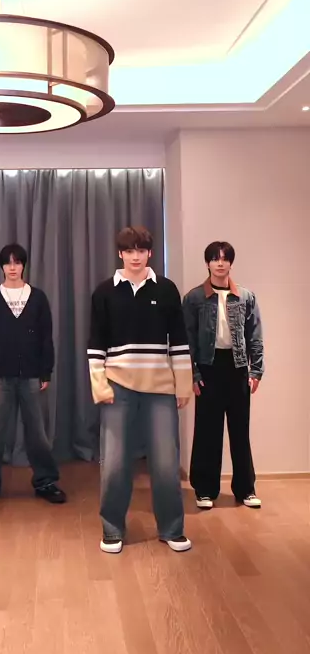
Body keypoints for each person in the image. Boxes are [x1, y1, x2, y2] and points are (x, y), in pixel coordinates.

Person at [87, 226, 193, 554]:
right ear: (120, 253)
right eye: (130, 250)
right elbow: (96, 343)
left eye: (142, 250)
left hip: (160, 388)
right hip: (117, 386)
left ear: (150, 253)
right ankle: (112, 530)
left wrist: (183, 384)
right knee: (115, 463)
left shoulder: (166, 290)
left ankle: (172, 529)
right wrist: (100, 385)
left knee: (166, 462)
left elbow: (179, 340)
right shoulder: (105, 292)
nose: (136, 256)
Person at [0, 243, 67, 507]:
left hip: (32, 376)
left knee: (38, 434)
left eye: (17, 262)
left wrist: (46, 371)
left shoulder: (38, 298)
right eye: (8, 262)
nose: (12, 267)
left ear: (23, 265)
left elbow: (46, 337)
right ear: (1, 266)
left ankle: (46, 482)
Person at [182, 241, 264, 510]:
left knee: (240, 430)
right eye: (215, 258)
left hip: (237, 368)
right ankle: (205, 490)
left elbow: (255, 336)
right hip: (208, 367)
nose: (220, 263)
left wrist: (256, 370)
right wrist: (193, 374)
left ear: (231, 263)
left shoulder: (246, 296)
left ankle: (246, 489)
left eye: (225, 258)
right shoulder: (194, 298)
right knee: (207, 430)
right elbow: (187, 340)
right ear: (207, 263)